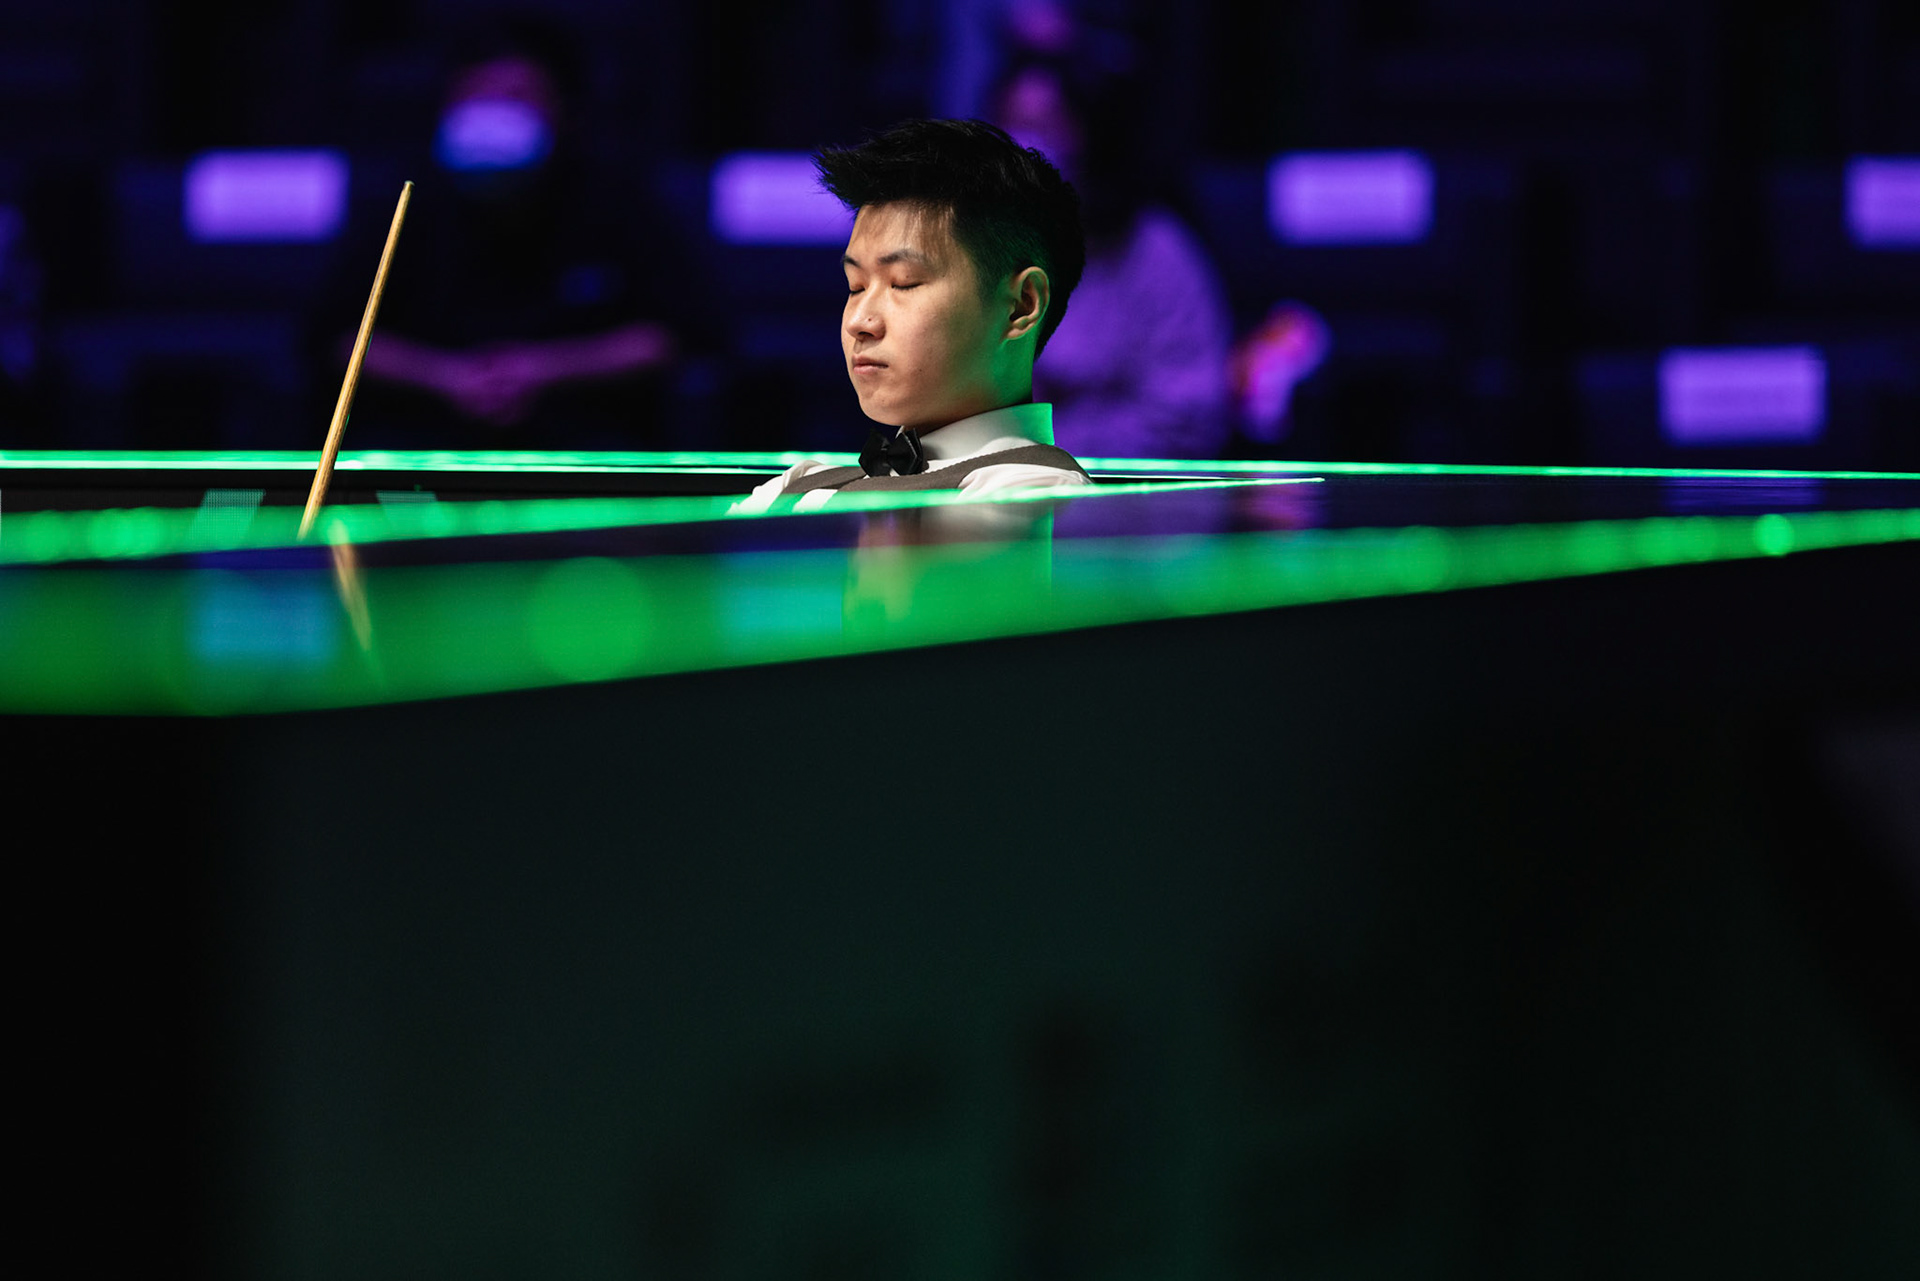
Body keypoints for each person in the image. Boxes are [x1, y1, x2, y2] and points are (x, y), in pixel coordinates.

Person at [330, 21, 693, 448]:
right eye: (476, 97)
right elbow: (339, 335)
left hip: (585, 452)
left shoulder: (620, 200)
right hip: (419, 452)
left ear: (564, 107)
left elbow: (671, 337)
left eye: (516, 98)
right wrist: (447, 377)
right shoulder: (404, 199)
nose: (493, 115)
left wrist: (540, 369)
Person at [738, 118, 1090, 510]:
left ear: (1021, 305)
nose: (859, 322)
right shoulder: (801, 478)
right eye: (855, 286)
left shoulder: (1034, 488)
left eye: (903, 282)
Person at [988, 56, 1234, 460]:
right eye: (1009, 128)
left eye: (1044, 127)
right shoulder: (988, 248)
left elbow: (1186, 418)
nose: (1024, 149)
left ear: (1089, 137)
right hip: (1010, 492)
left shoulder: (1157, 251)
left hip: (1131, 502)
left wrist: (1041, 447)